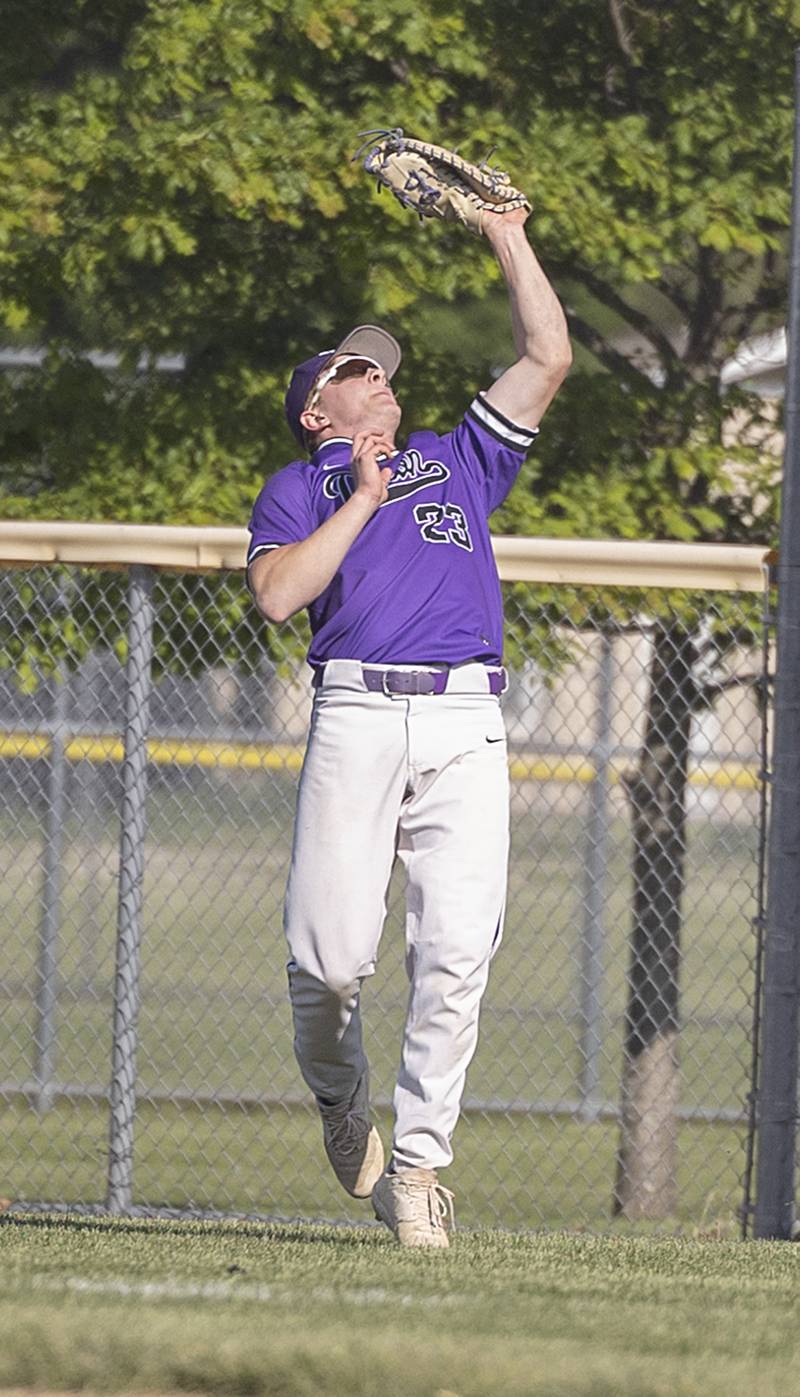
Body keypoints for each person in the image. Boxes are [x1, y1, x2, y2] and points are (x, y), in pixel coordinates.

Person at [247, 208, 571, 1247]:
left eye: (381, 368)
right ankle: (343, 1105)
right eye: (354, 371)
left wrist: (503, 229)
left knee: (456, 950)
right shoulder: (297, 487)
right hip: (354, 708)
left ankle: (421, 1166)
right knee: (328, 962)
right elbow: (277, 598)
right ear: (314, 410)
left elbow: (546, 353)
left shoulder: (456, 457)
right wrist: (359, 495)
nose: (379, 376)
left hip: (466, 715)